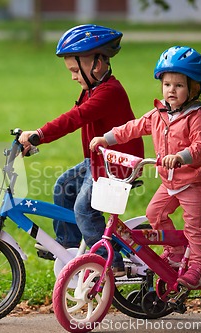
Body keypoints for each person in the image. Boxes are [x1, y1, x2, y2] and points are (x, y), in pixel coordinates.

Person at [19, 24, 144, 276]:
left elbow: (75, 118)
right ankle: (70, 246)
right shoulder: (93, 88)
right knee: (62, 186)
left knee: (84, 209)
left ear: (97, 65)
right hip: (97, 162)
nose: (73, 76)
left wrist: (39, 135)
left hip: (117, 165)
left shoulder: (109, 92)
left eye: (76, 70)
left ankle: (108, 260)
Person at [90, 45, 201, 288]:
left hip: (195, 183)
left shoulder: (198, 117)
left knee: (194, 227)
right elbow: (133, 127)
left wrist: (181, 156)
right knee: (154, 214)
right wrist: (106, 138)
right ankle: (175, 251)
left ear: (194, 88)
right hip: (170, 182)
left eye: (179, 85)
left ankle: (200, 268)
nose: (172, 90)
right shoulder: (159, 114)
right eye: (167, 84)